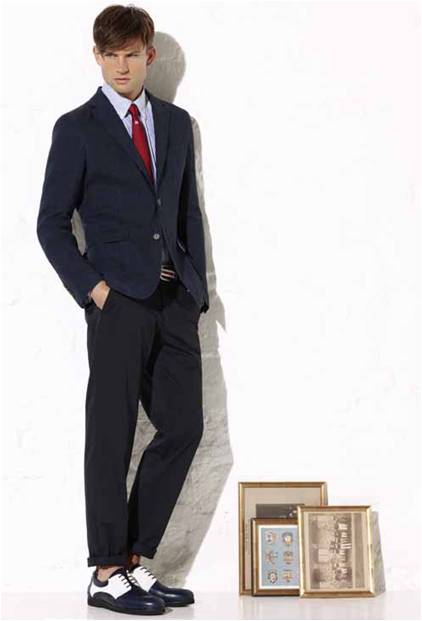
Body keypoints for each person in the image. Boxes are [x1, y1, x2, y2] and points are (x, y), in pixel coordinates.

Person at [36, 4, 209, 615]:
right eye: (109, 56)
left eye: (131, 54)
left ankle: (131, 563)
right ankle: (105, 571)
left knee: (184, 426)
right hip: (118, 304)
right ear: (97, 57)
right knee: (110, 436)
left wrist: (195, 291)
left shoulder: (176, 123)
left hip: (172, 300)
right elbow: (51, 224)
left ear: (148, 55)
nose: (120, 67)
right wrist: (96, 291)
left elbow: (187, 212)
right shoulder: (77, 128)